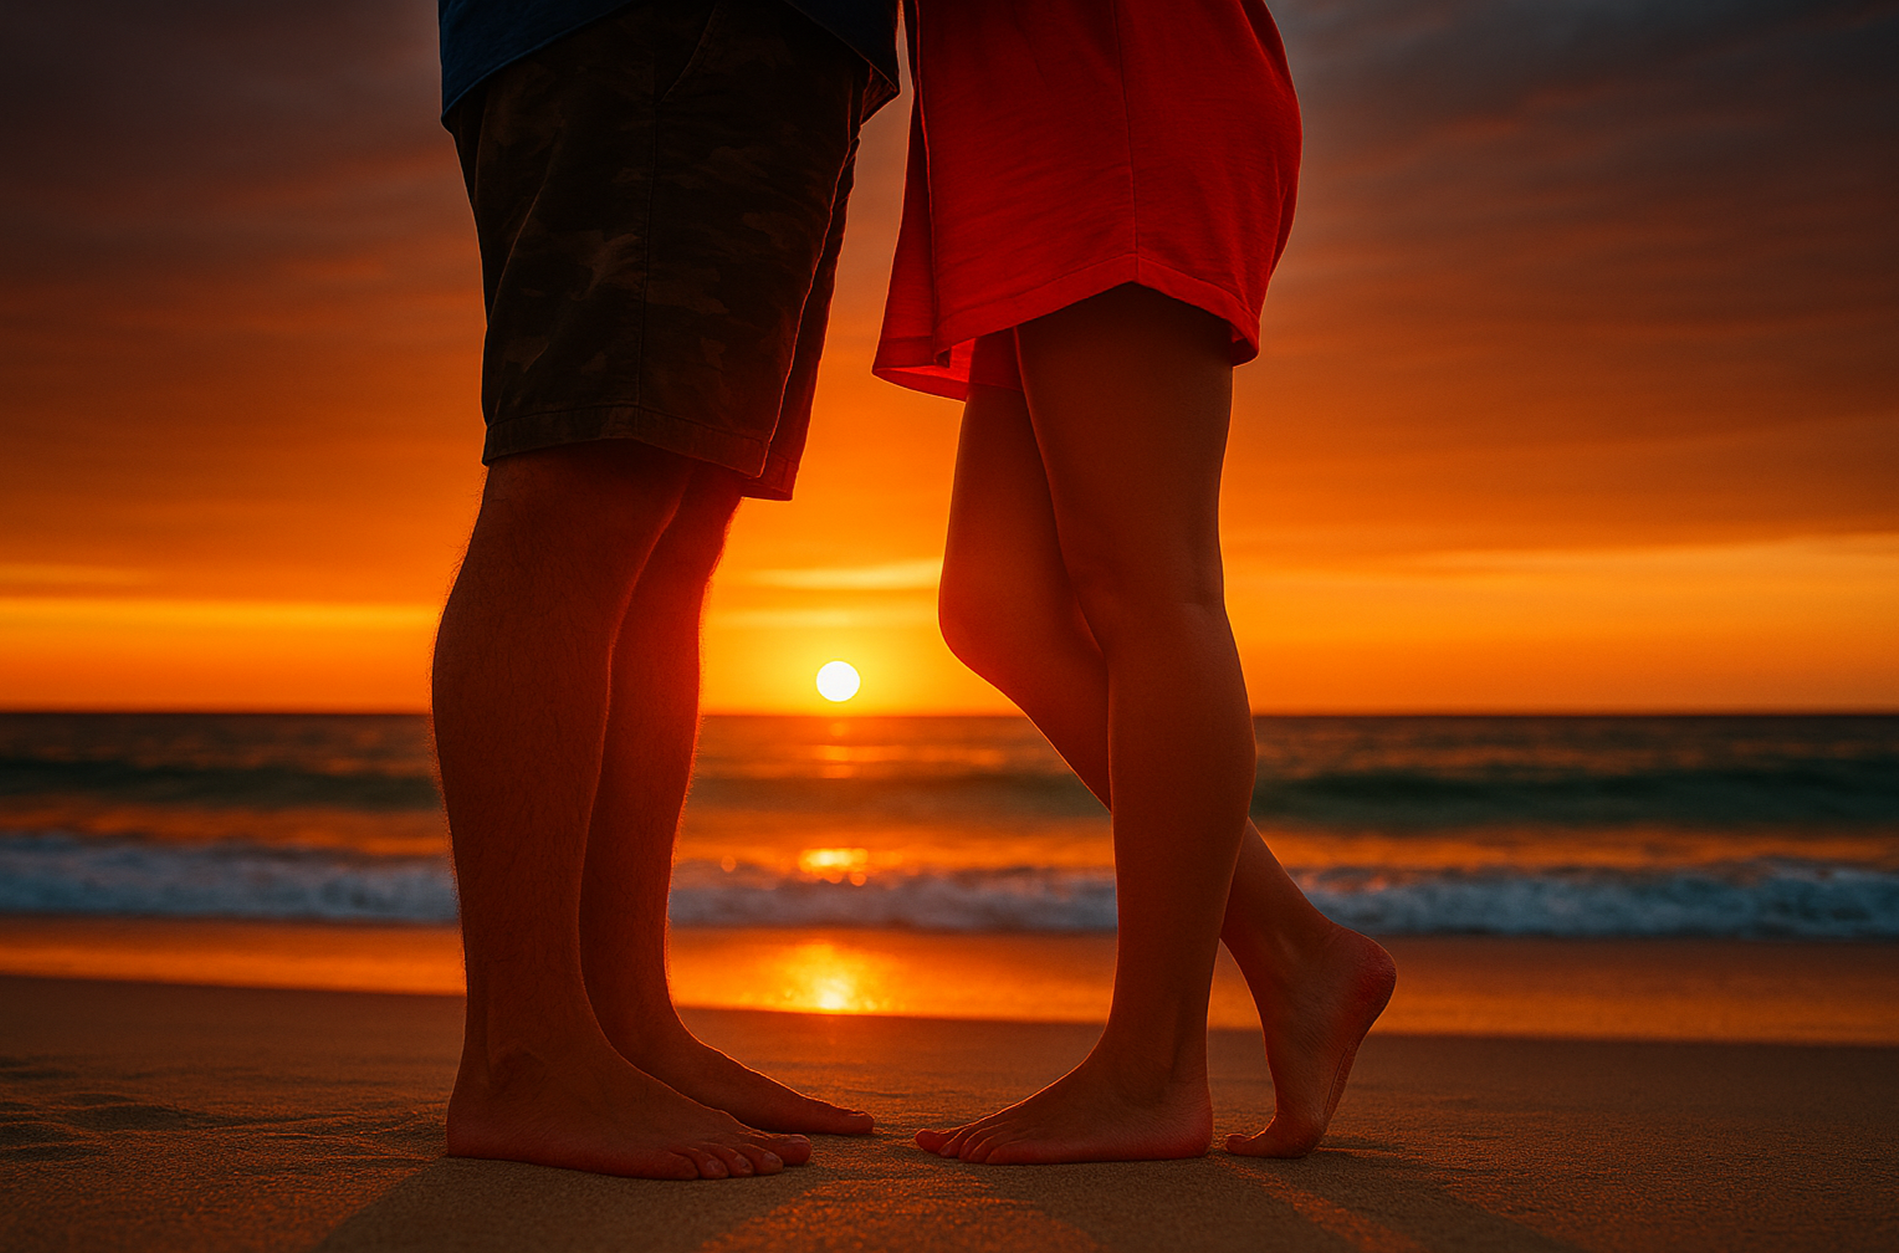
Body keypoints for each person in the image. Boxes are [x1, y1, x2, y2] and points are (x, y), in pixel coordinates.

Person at [874, 1, 1398, 1163]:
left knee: (1151, 581)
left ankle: (1155, 1065)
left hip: (1111, 82)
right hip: (1022, 110)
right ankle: (1296, 949)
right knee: (998, 604)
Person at [431, 0, 897, 1179]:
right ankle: (525, 1050)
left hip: (792, 36)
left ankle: (620, 1024)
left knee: (680, 511)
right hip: (658, 17)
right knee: (593, 466)